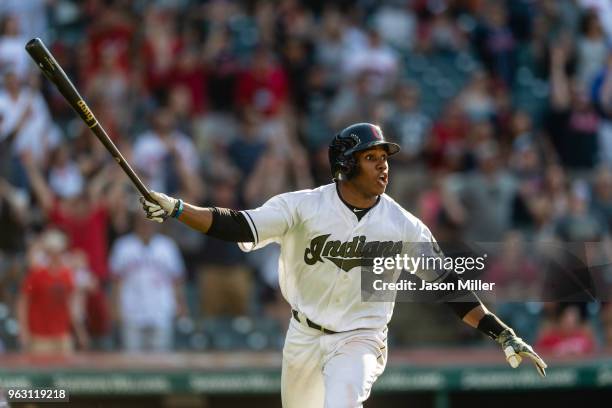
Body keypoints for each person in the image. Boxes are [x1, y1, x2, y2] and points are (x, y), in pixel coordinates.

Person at [140, 123, 547, 407]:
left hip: (361, 336)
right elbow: (236, 225)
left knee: (342, 401)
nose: (383, 164)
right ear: (345, 166)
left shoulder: (402, 225)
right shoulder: (302, 207)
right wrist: (178, 209)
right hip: (303, 335)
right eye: (370, 157)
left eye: (383, 156)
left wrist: (502, 332)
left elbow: (449, 287)